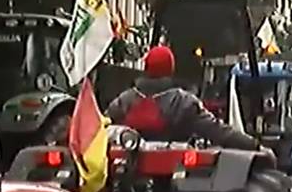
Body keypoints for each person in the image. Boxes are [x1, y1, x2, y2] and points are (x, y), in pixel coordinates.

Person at [106, 45, 270, 156]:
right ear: (171, 69)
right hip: (173, 170)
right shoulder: (183, 101)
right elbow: (218, 131)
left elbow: (103, 125)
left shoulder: (125, 99)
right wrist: (254, 145)